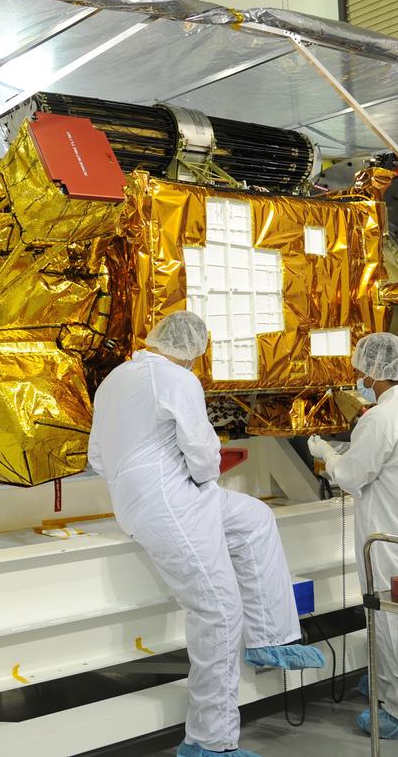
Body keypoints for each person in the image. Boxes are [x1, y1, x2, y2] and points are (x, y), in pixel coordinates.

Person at [88, 311, 324, 757]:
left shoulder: (115, 379)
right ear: (191, 352)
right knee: (217, 610)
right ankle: (209, 742)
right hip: (173, 503)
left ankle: (270, 638)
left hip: (148, 499)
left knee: (255, 519)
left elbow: (98, 457)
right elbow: (201, 451)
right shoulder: (177, 379)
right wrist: (196, 473)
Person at [307, 332, 398, 740]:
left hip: (386, 538)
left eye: (362, 368)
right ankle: (390, 687)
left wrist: (326, 455)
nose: (360, 376)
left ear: (376, 372)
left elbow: (350, 476)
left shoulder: (380, 419)